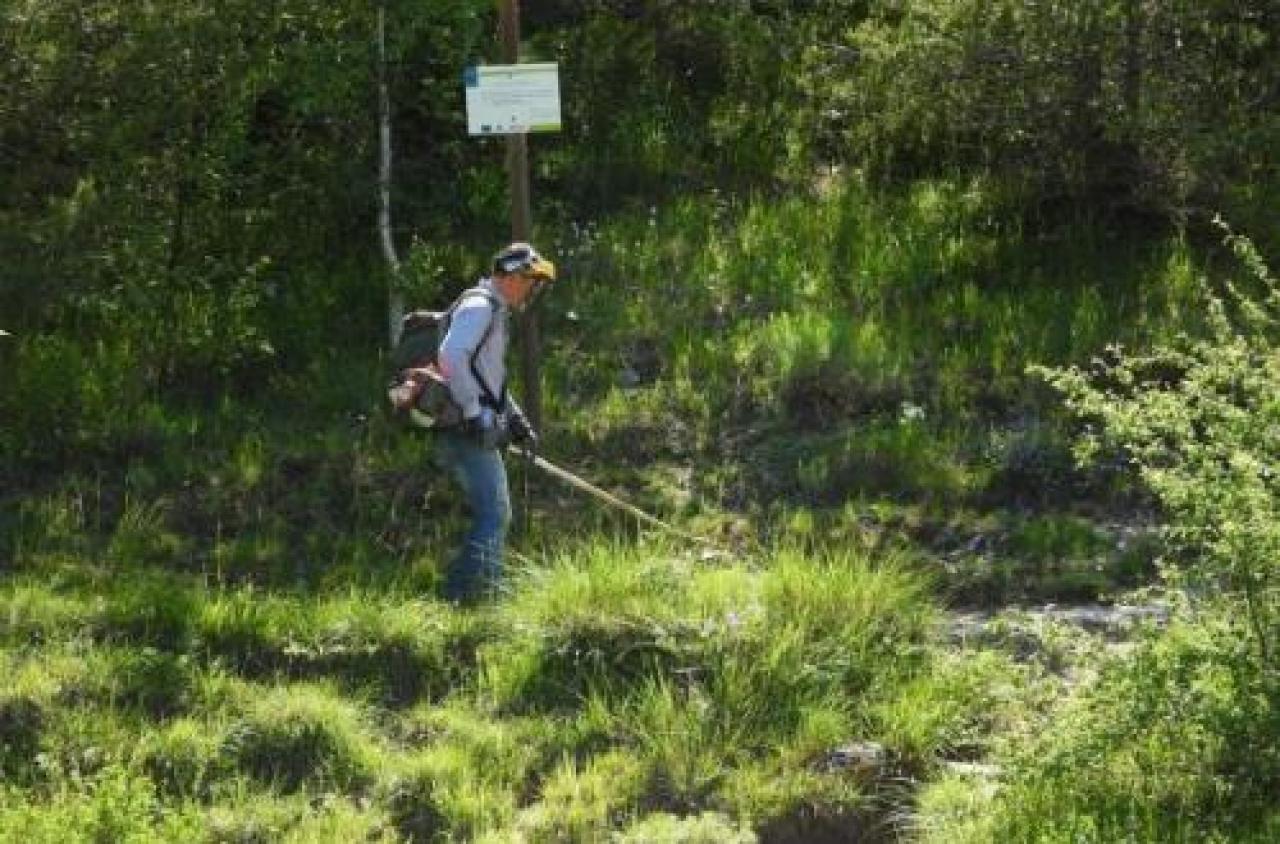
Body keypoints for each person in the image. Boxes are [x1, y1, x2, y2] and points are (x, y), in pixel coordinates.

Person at [435, 242, 555, 603]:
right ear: (512, 276)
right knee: (496, 513)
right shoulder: (479, 307)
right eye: (530, 280)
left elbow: (489, 379)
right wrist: (474, 415)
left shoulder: (494, 311)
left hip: (471, 425)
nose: (533, 288)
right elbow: (450, 357)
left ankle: (479, 595)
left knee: (494, 512)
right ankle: (465, 598)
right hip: (463, 429)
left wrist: (514, 419)